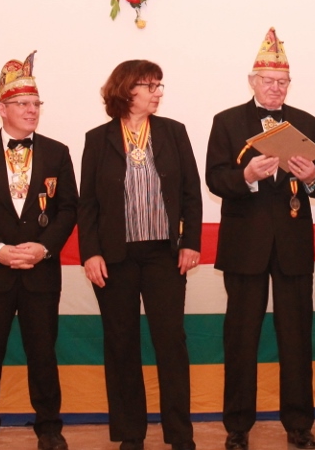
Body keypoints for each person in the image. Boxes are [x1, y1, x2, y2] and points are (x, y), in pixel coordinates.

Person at [206, 28, 315, 450]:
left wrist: (312, 177)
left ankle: (299, 424)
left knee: (296, 336)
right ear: (252, 82)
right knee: (241, 337)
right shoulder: (227, 121)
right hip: (245, 246)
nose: (276, 88)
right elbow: (214, 178)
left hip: (293, 244)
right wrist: (246, 176)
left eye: (283, 82)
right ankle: (237, 426)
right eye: (269, 81)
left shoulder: (307, 122)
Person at [0, 52, 78, 450]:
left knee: (43, 353)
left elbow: (69, 208)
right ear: (1, 108)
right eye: (22, 103)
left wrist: (44, 248)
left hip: (41, 273)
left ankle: (49, 427)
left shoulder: (58, 152)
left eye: (36, 103)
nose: (31, 110)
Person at [78, 60, 202, 450]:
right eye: (150, 85)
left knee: (171, 343)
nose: (157, 92)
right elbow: (88, 204)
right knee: (121, 344)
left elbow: (191, 193)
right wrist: (90, 253)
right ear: (126, 89)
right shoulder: (98, 139)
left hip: (164, 255)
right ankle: (130, 434)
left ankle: (180, 435)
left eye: (159, 85)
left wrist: (191, 242)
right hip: (116, 257)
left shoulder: (173, 132)